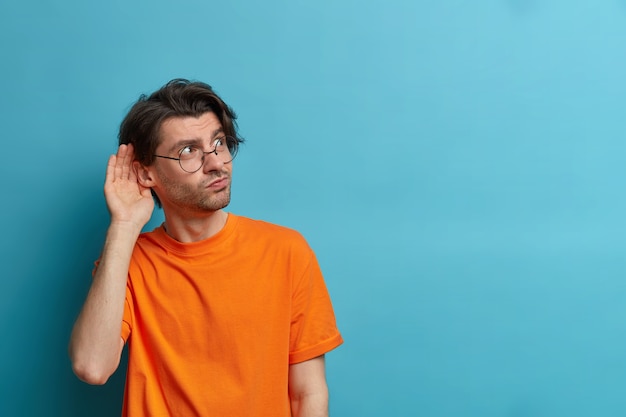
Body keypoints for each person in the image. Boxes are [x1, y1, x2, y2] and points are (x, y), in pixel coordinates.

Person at [69, 79, 343, 417]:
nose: (216, 163)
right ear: (146, 172)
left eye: (218, 143)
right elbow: (92, 367)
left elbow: (308, 394)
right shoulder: (129, 260)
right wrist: (124, 226)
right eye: (188, 151)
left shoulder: (287, 251)